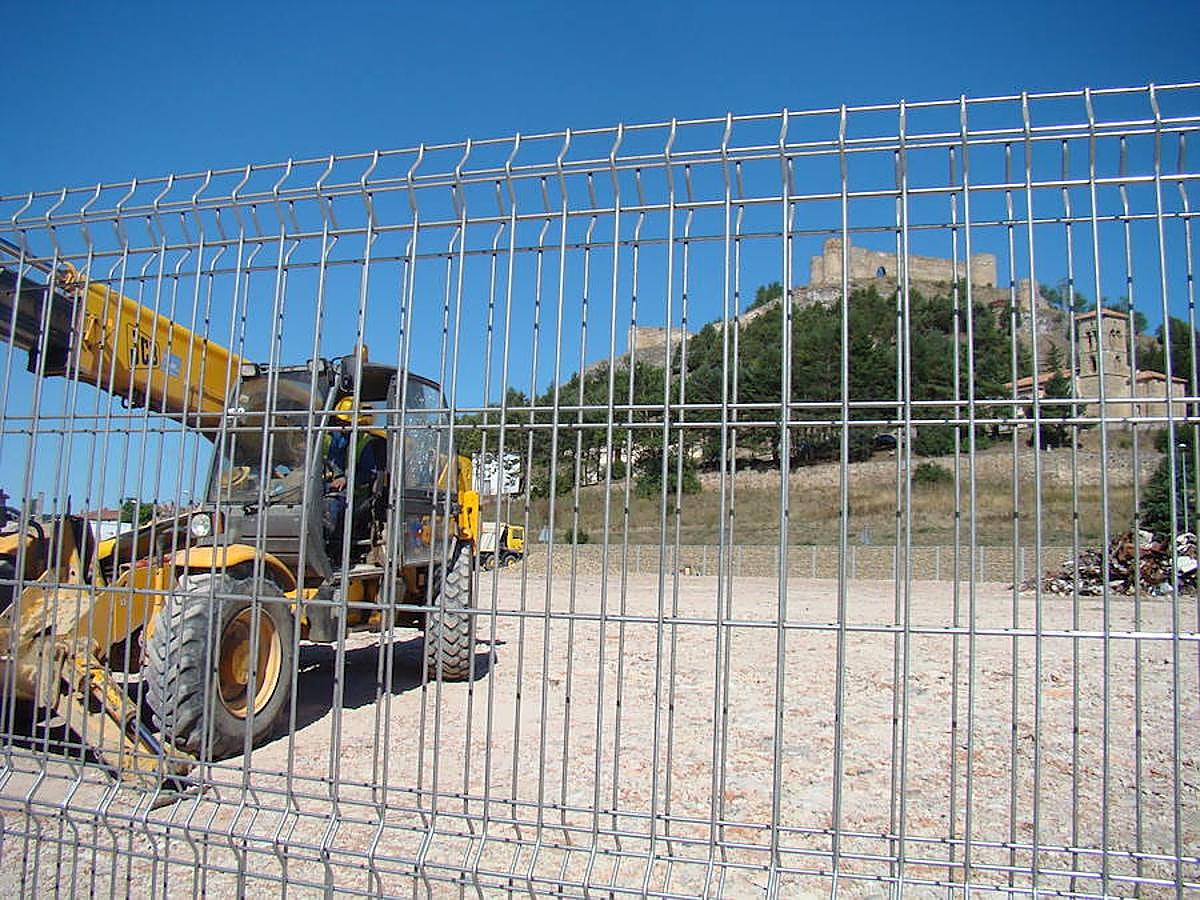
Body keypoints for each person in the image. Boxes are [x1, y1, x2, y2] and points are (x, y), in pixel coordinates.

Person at [323, 397, 386, 560]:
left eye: (344, 422)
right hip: (334, 488)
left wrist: (346, 480)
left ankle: (334, 554)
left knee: (332, 505)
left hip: (358, 492)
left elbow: (369, 474)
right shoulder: (335, 439)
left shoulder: (366, 443)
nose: (340, 425)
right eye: (338, 421)